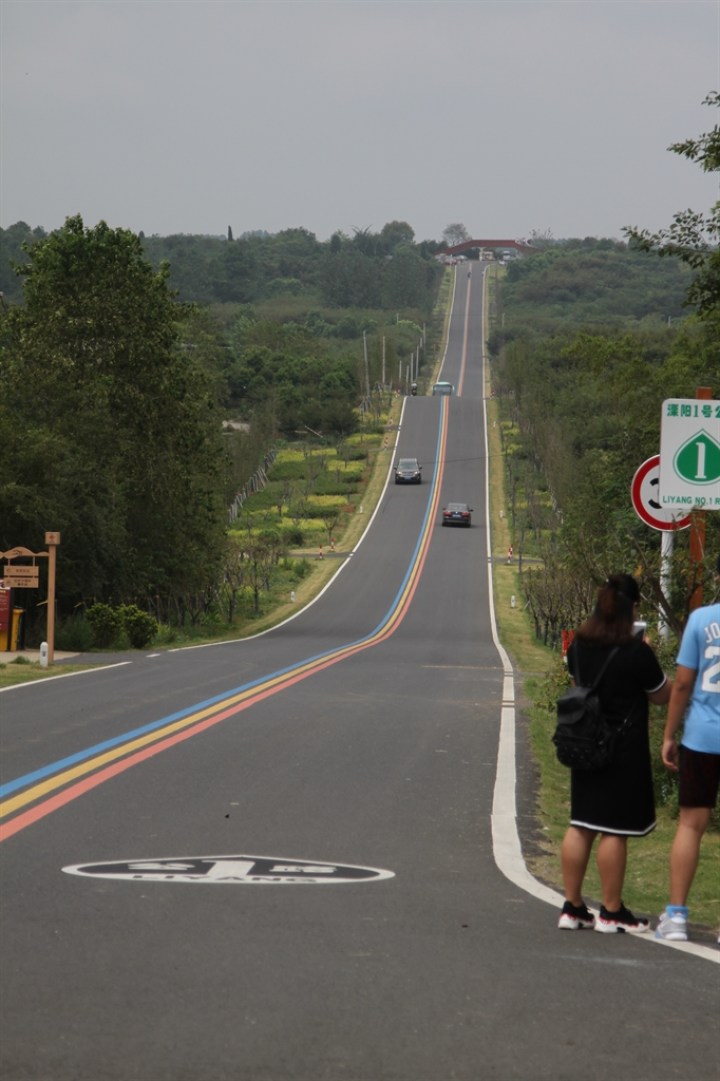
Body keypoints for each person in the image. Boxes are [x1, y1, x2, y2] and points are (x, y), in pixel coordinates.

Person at [558, 573, 671, 933]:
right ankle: (611, 911)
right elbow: (661, 695)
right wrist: (649, 649)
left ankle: (572, 907)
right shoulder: (636, 652)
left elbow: (579, 685)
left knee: (581, 824)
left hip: (584, 744)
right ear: (631, 608)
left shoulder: (579, 644)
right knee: (613, 830)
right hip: (622, 749)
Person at [655, 555, 720, 943]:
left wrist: (668, 734)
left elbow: (681, 684)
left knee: (691, 824)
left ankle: (676, 916)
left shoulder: (700, 620)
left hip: (701, 736)